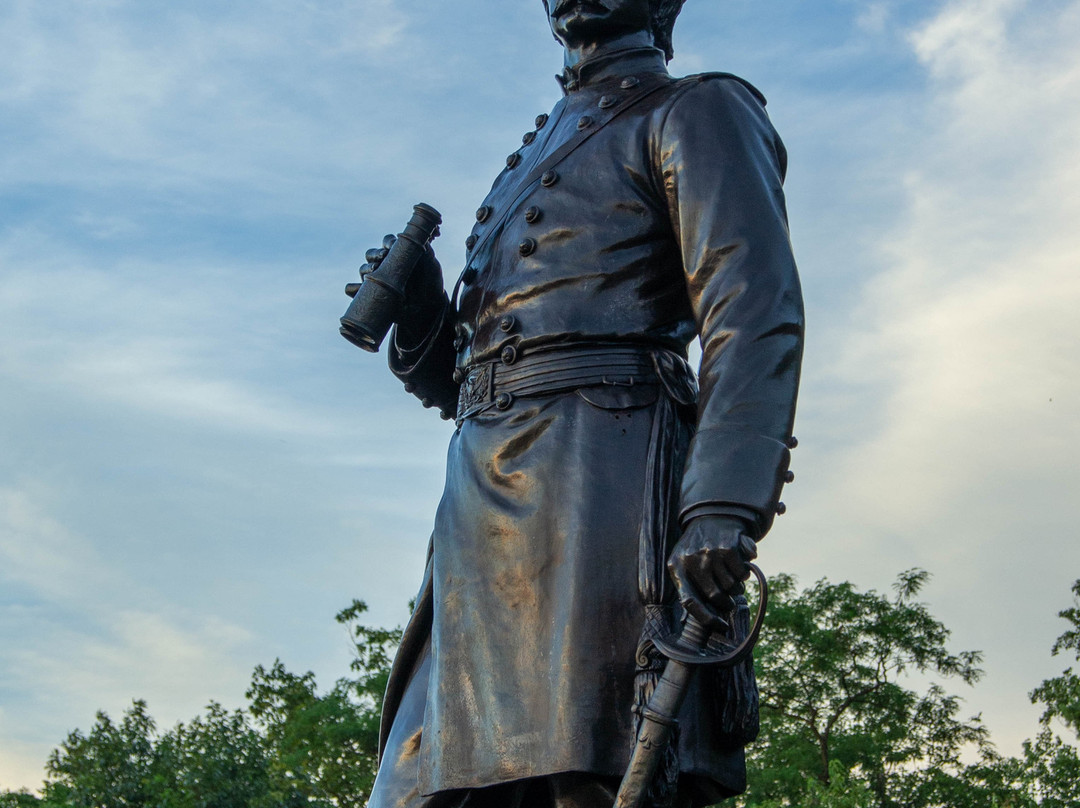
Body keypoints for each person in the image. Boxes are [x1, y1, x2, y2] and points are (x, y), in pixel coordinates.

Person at [351, 2, 803, 806]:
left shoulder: (695, 109)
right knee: (416, 790)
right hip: (478, 513)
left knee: (575, 774)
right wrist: (423, 315)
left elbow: (752, 309)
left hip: (601, 484)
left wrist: (721, 505)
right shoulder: (536, 146)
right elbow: (467, 380)